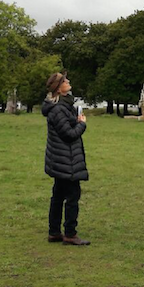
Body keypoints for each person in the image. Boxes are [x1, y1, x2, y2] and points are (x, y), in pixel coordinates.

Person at [41, 72, 90, 245]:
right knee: (72, 196)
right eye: (64, 81)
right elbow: (69, 135)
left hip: (61, 159)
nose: (68, 82)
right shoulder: (58, 109)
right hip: (65, 160)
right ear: (58, 87)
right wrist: (82, 124)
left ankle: (54, 232)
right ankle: (70, 234)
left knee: (58, 194)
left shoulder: (62, 106)